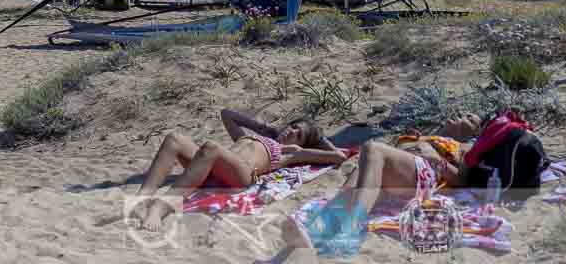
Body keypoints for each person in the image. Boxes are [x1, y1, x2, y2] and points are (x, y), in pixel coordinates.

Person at [276, 113, 489, 258]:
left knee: (373, 149)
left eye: (470, 118)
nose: (461, 115)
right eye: (463, 113)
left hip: (422, 176)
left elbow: (462, 181)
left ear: (474, 132)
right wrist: (411, 142)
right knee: (350, 187)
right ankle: (313, 235)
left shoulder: (464, 147)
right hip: (397, 175)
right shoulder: (425, 135)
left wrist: (438, 160)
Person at [131, 109, 346, 232]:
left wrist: (317, 137)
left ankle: (161, 207)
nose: (291, 132)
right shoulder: (251, 136)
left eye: (298, 134)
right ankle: (142, 197)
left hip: (242, 175)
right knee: (174, 139)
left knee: (211, 147)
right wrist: (264, 129)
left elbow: (338, 156)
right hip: (216, 165)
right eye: (293, 126)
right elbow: (226, 114)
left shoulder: (290, 152)